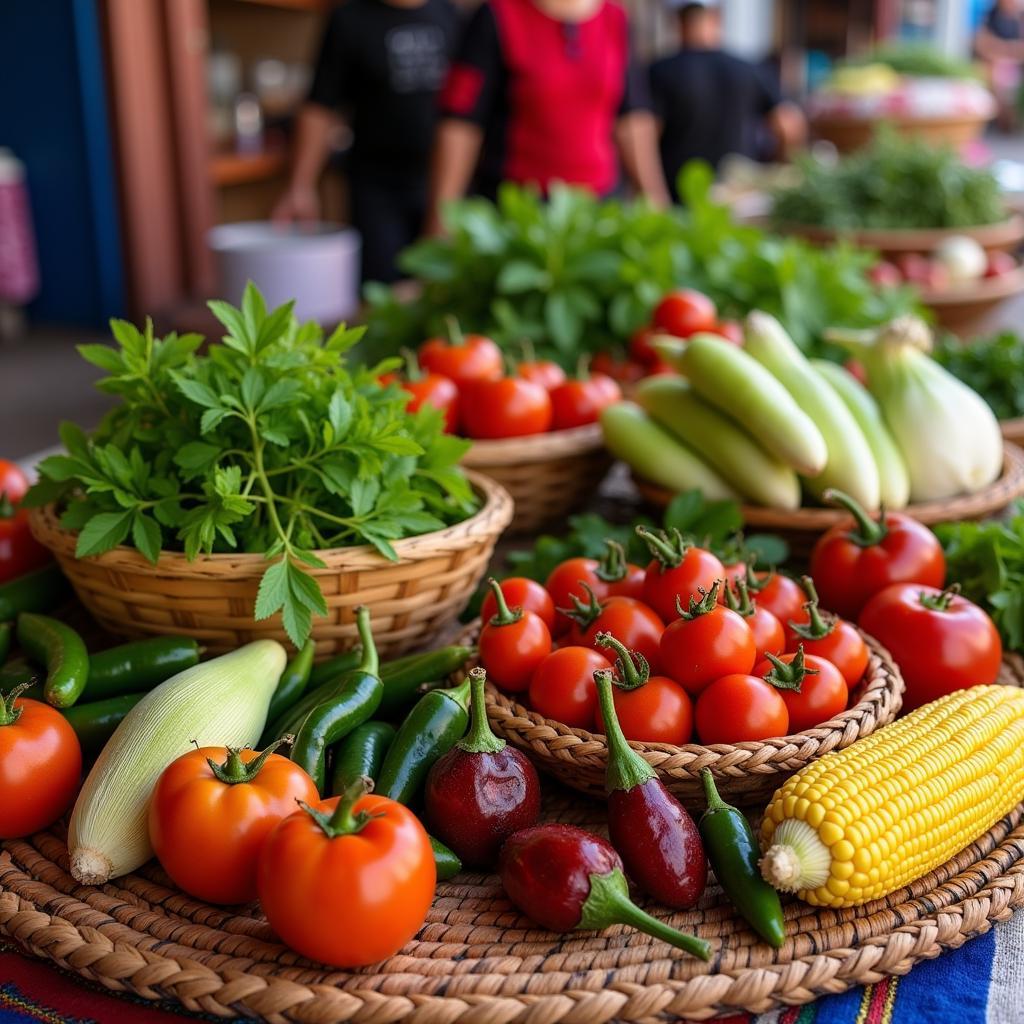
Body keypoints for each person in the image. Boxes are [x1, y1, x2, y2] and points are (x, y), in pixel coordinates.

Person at [426, 0, 669, 232]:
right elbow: (461, 124)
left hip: (599, 210)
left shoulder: (614, 19)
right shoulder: (498, 15)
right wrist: (442, 218)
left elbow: (632, 117)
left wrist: (654, 199)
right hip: (517, 212)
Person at [273, 0, 459, 283]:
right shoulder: (349, 17)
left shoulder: (452, 14)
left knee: (444, 288)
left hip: (448, 184)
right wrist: (300, 185)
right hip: (376, 187)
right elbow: (320, 106)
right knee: (382, 293)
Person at [649, 0, 805, 201]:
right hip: (738, 193)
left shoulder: (660, 71)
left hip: (679, 195)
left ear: (677, 21)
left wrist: (652, 193)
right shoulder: (749, 68)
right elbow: (788, 124)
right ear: (716, 18)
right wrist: (776, 170)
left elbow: (647, 133)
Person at [974, 0, 1024, 130]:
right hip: (995, 62)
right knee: (995, 76)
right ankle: (1002, 117)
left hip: (1014, 62)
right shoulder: (991, 17)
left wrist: (1010, 51)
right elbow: (982, 43)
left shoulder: (1018, 19)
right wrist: (1004, 50)